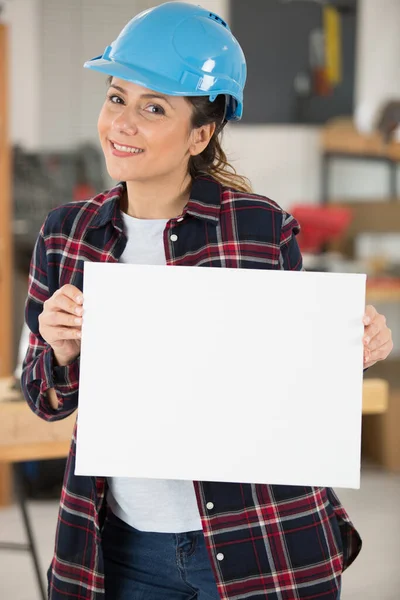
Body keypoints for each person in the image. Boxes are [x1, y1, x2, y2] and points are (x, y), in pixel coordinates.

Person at [21, 3, 393, 600]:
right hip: (122, 550)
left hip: (260, 537)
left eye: (154, 108)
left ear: (201, 133)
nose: (123, 123)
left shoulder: (259, 227)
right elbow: (42, 398)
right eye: (117, 98)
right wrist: (60, 351)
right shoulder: (67, 235)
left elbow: (294, 380)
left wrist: (352, 347)